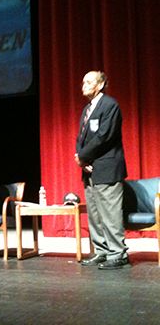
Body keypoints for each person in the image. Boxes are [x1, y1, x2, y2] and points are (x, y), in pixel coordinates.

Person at [75, 71, 130, 269]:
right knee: (95, 215)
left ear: (100, 85)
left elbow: (104, 136)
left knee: (110, 214)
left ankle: (118, 253)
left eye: (89, 81)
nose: (84, 85)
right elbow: (81, 138)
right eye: (83, 82)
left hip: (107, 167)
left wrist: (83, 157)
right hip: (90, 170)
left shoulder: (110, 105)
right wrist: (81, 157)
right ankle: (102, 251)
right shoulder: (87, 109)